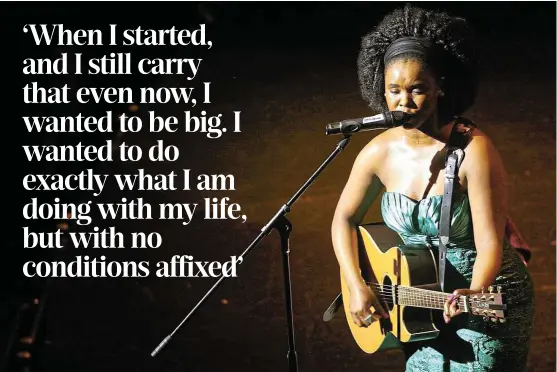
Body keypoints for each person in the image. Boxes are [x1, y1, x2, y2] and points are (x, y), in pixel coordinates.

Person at [331, 4, 534, 371]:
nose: (403, 102)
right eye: (393, 90)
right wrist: (356, 282)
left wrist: (476, 289)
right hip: (416, 304)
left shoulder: (475, 152)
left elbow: (489, 240)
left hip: (484, 301)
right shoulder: (377, 151)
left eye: (417, 90)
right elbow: (344, 219)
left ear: (441, 87)